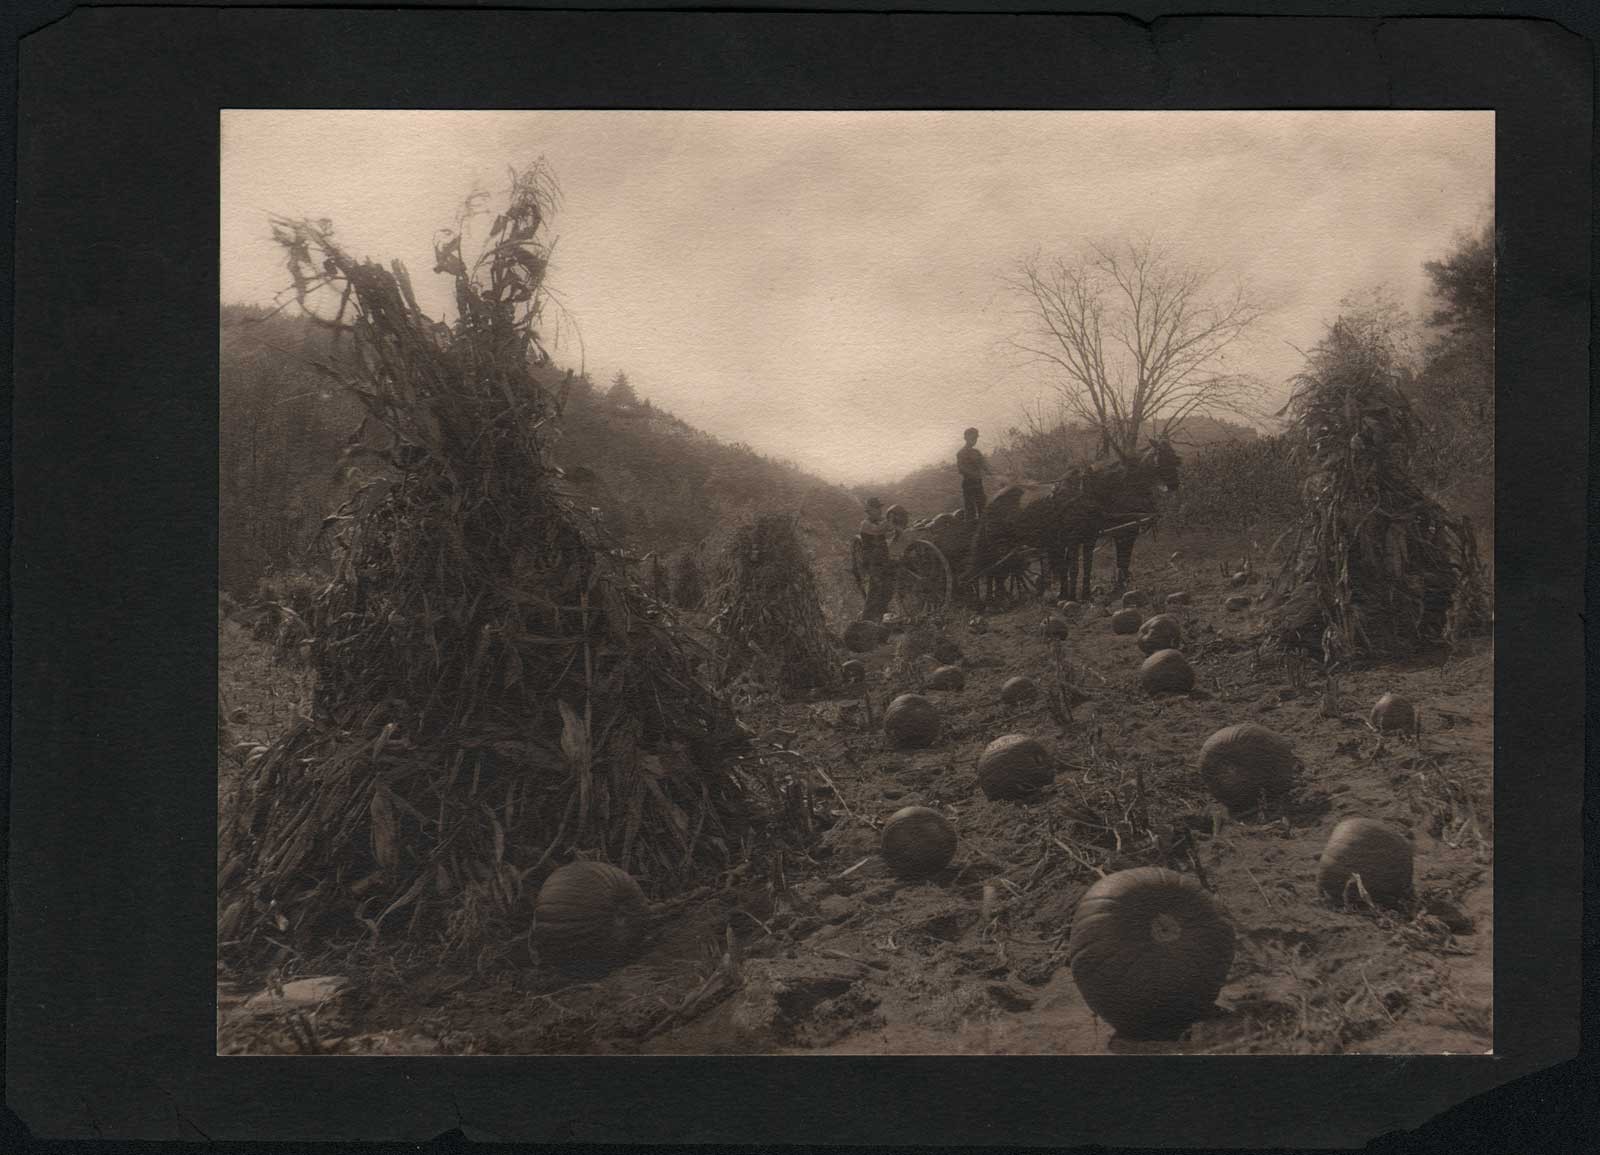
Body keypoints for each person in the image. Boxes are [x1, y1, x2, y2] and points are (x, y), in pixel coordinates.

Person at [856, 496, 899, 622]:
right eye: (877, 509)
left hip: (883, 559)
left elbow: (891, 530)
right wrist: (888, 521)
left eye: (880, 508)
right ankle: (866, 620)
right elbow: (877, 531)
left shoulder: (879, 522)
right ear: (870, 510)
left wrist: (892, 524)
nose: (880, 511)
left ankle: (879, 618)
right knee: (875, 590)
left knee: (888, 589)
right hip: (873, 561)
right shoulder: (865, 524)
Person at [956, 427, 992, 523]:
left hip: (978, 483)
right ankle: (970, 530)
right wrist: (976, 475)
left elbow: (985, 465)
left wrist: (992, 472)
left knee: (982, 507)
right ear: (966, 438)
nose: (974, 440)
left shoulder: (976, 452)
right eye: (972, 438)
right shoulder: (961, 453)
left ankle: (982, 528)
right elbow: (961, 469)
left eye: (976, 438)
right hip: (968, 483)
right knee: (970, 509)